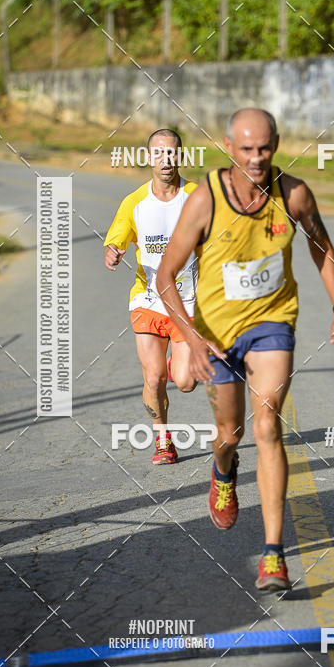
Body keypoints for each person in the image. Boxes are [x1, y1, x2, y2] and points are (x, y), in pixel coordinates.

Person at [156, 108, 334, 589]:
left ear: (276, 144)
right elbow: (165, 275)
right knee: (229, 434)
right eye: (247, 149)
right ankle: (223, 470)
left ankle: (274, 555)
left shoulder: (294, 194)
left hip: (273, 323)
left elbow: (321, 244)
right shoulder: (206, 199)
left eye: (265, 148)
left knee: (268, 422)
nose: (256, 158)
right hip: (216, 334)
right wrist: (192, 337)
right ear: (229, 147)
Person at [104, 128, 197, 465]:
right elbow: (116, 240)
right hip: (148, 300)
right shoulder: (134, 202)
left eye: (171, 152)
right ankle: (163, 440)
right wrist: (113, 252)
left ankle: (177, 363)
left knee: (185, 382)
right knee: (153, 377)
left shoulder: (198, 198)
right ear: (148, 158)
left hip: (189, 304)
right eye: (158, 153)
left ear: (180, 156)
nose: (165, 159)